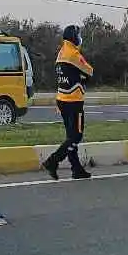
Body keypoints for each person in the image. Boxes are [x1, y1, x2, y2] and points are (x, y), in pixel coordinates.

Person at [41, 25, 94, 179]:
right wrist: (84, 77)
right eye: (78, 35)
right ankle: (53, 161)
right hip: (74, 101)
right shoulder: (73, 54)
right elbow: (89, 70)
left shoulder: (61, 53)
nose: (80, 38)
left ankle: (76, 169)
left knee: (71, 136)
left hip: (62, 100)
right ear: (73, 37)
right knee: (76, 136)